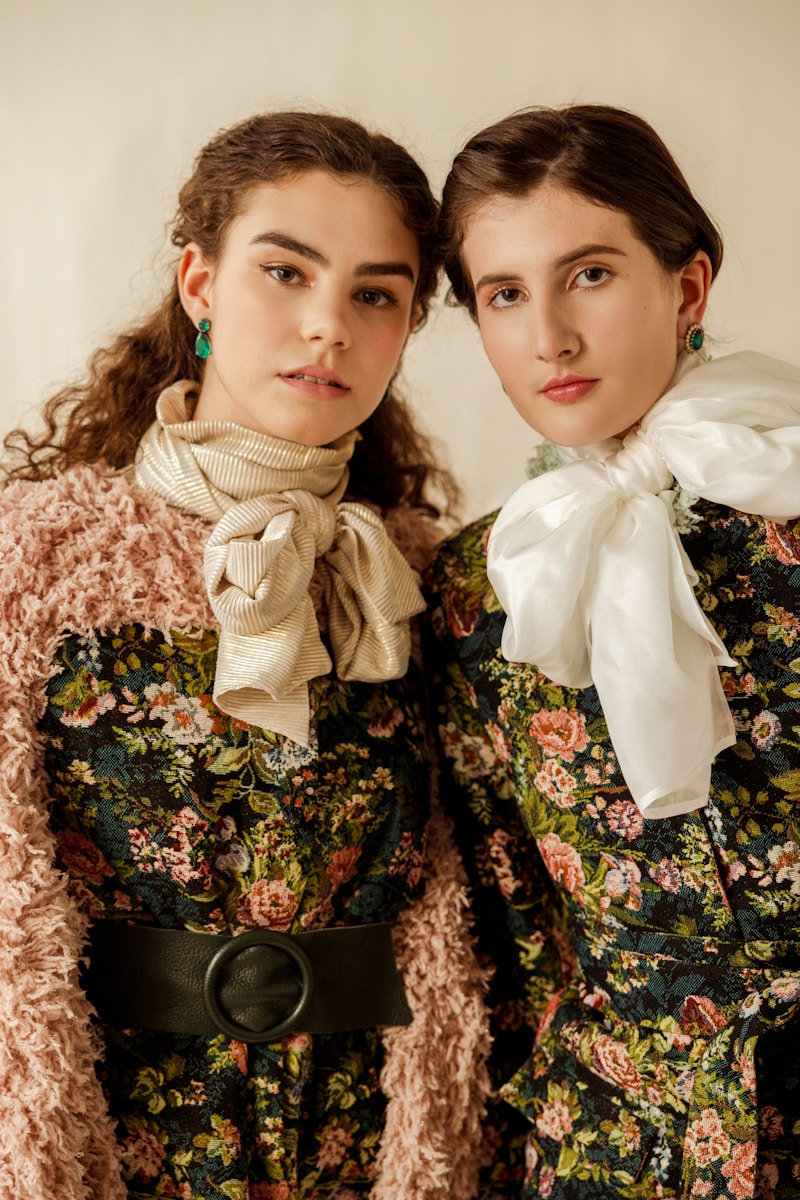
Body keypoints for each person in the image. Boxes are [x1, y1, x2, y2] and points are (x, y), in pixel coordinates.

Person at [0, 111, 492, 1200]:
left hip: (368, 1143)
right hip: (110, 1138)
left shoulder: (425, 582)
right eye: (284, 271)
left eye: (374, 293)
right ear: (198, 283)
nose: (327, 326)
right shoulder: (30, 564)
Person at [429, 103, 800, 1199]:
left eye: (586, 274)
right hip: (615, 1148)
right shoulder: (475, 588)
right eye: (502, 295)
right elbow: (509, 909)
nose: (547, 336)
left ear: (684, 288)